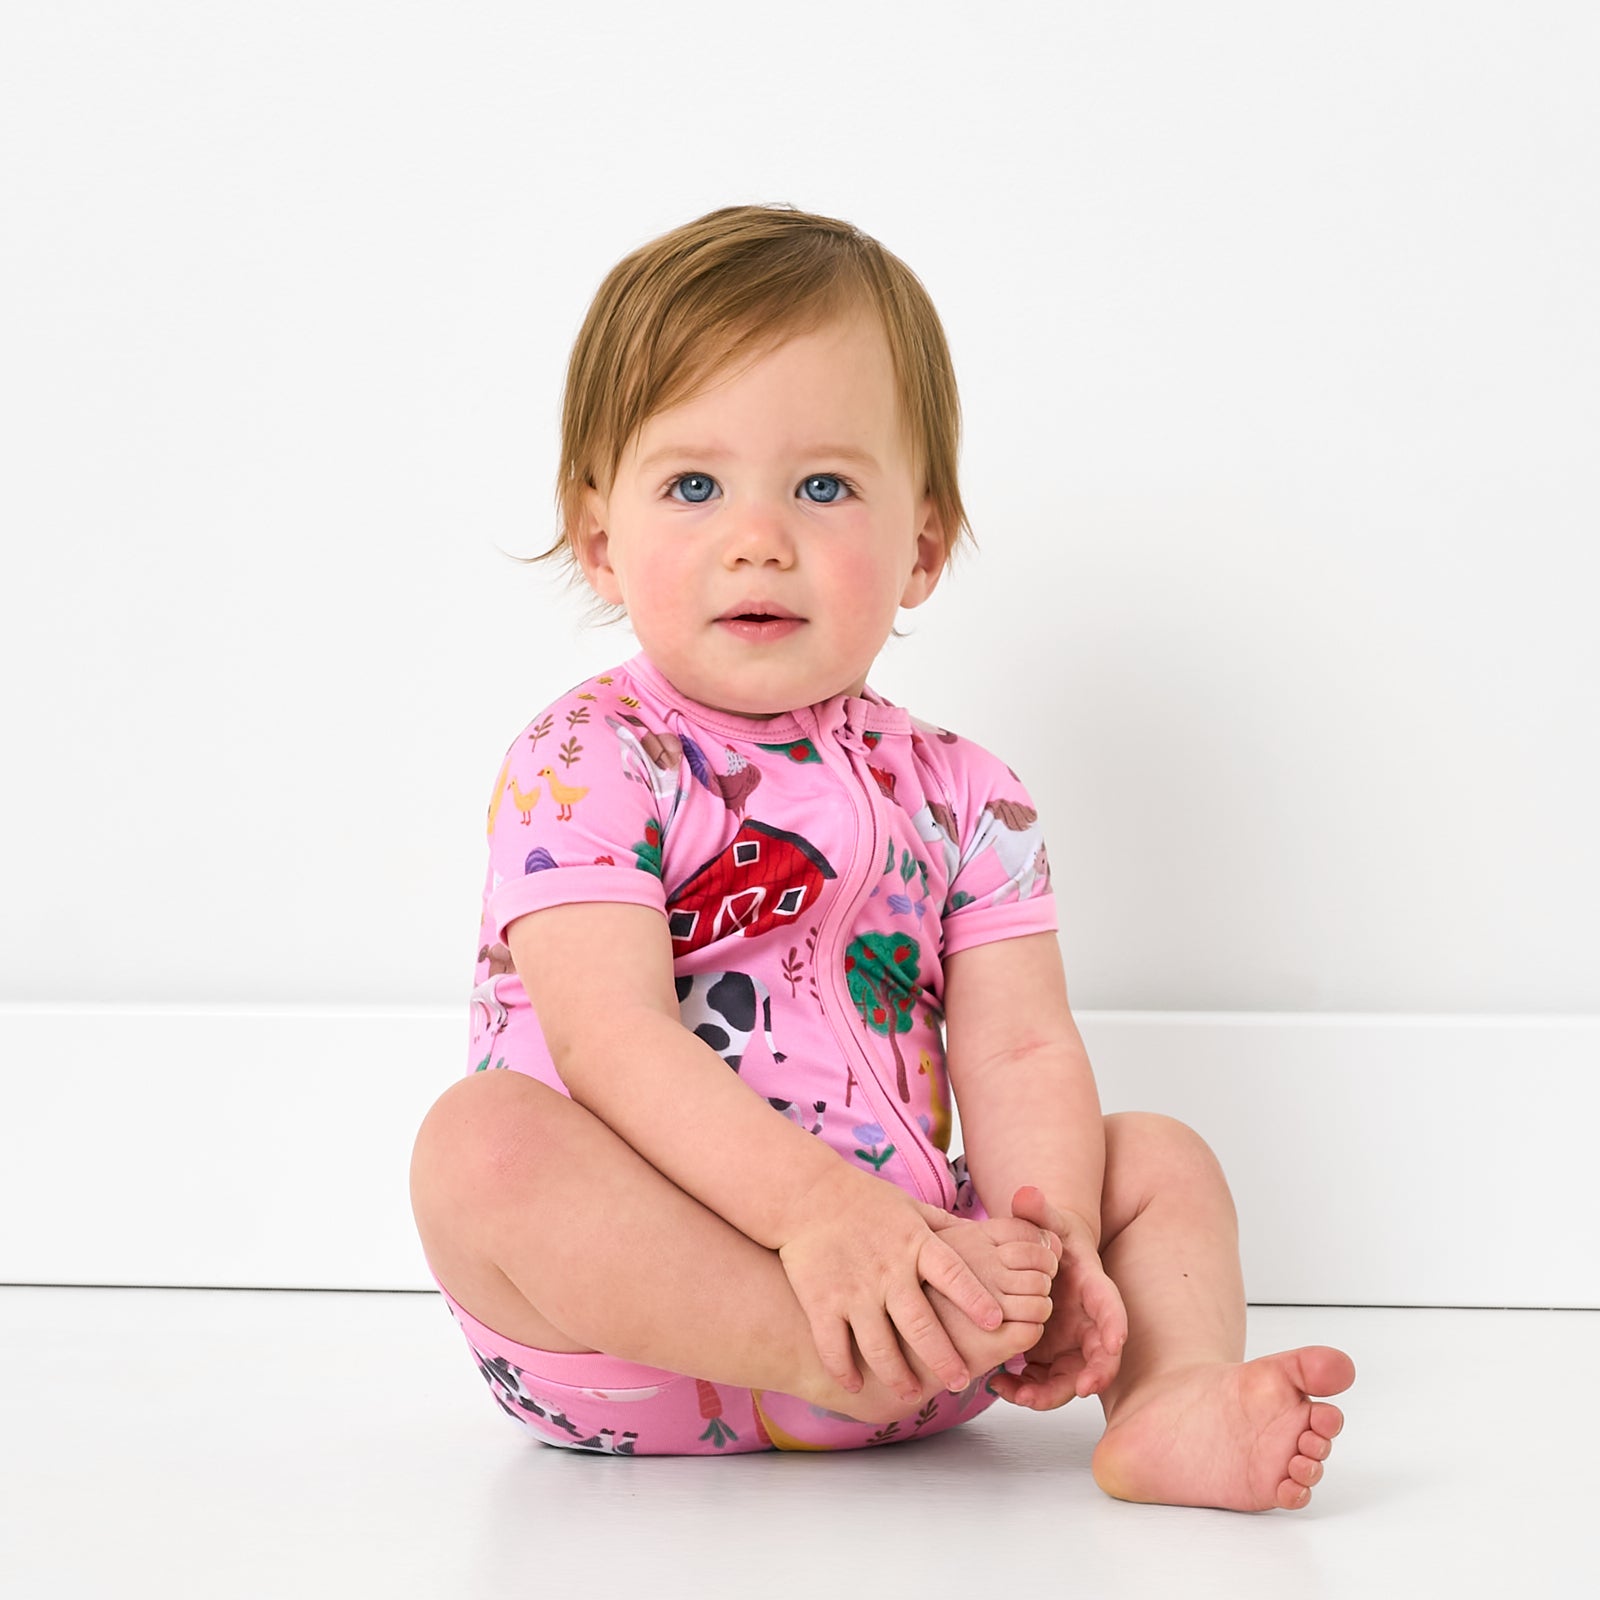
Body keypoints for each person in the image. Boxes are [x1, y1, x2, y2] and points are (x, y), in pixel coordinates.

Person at [409, 203, 1355, 1506]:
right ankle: (821, 1353)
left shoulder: (968, 795)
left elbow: (1019, 1051)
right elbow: (609, 1039)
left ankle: (1167, 1402)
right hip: (634, 1330)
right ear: (600, 538)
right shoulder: (588, 759)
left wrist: (1051, 1243)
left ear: (920, 545)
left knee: (1159, 1159)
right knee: (479, 1149)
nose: (758, 537)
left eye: (823, 487)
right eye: (694, 486)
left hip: (930, 1305)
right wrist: (819, 1220)